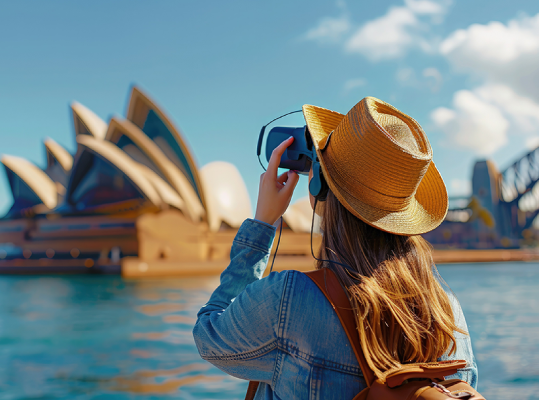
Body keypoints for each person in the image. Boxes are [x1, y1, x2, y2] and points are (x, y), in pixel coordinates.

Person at [192, 97, 476, 399]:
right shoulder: (448, 312)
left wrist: (262, 223)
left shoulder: (288, 298)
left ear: (320, 188)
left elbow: (209, 337)